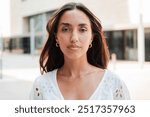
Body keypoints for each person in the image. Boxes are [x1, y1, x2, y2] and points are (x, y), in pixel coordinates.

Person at [30, 2, 130, 100]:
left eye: (82, 29)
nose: (74, 38)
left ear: (91, 37)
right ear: (56, 37)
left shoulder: (114, 84)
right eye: (65, 29)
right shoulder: (41, 86)